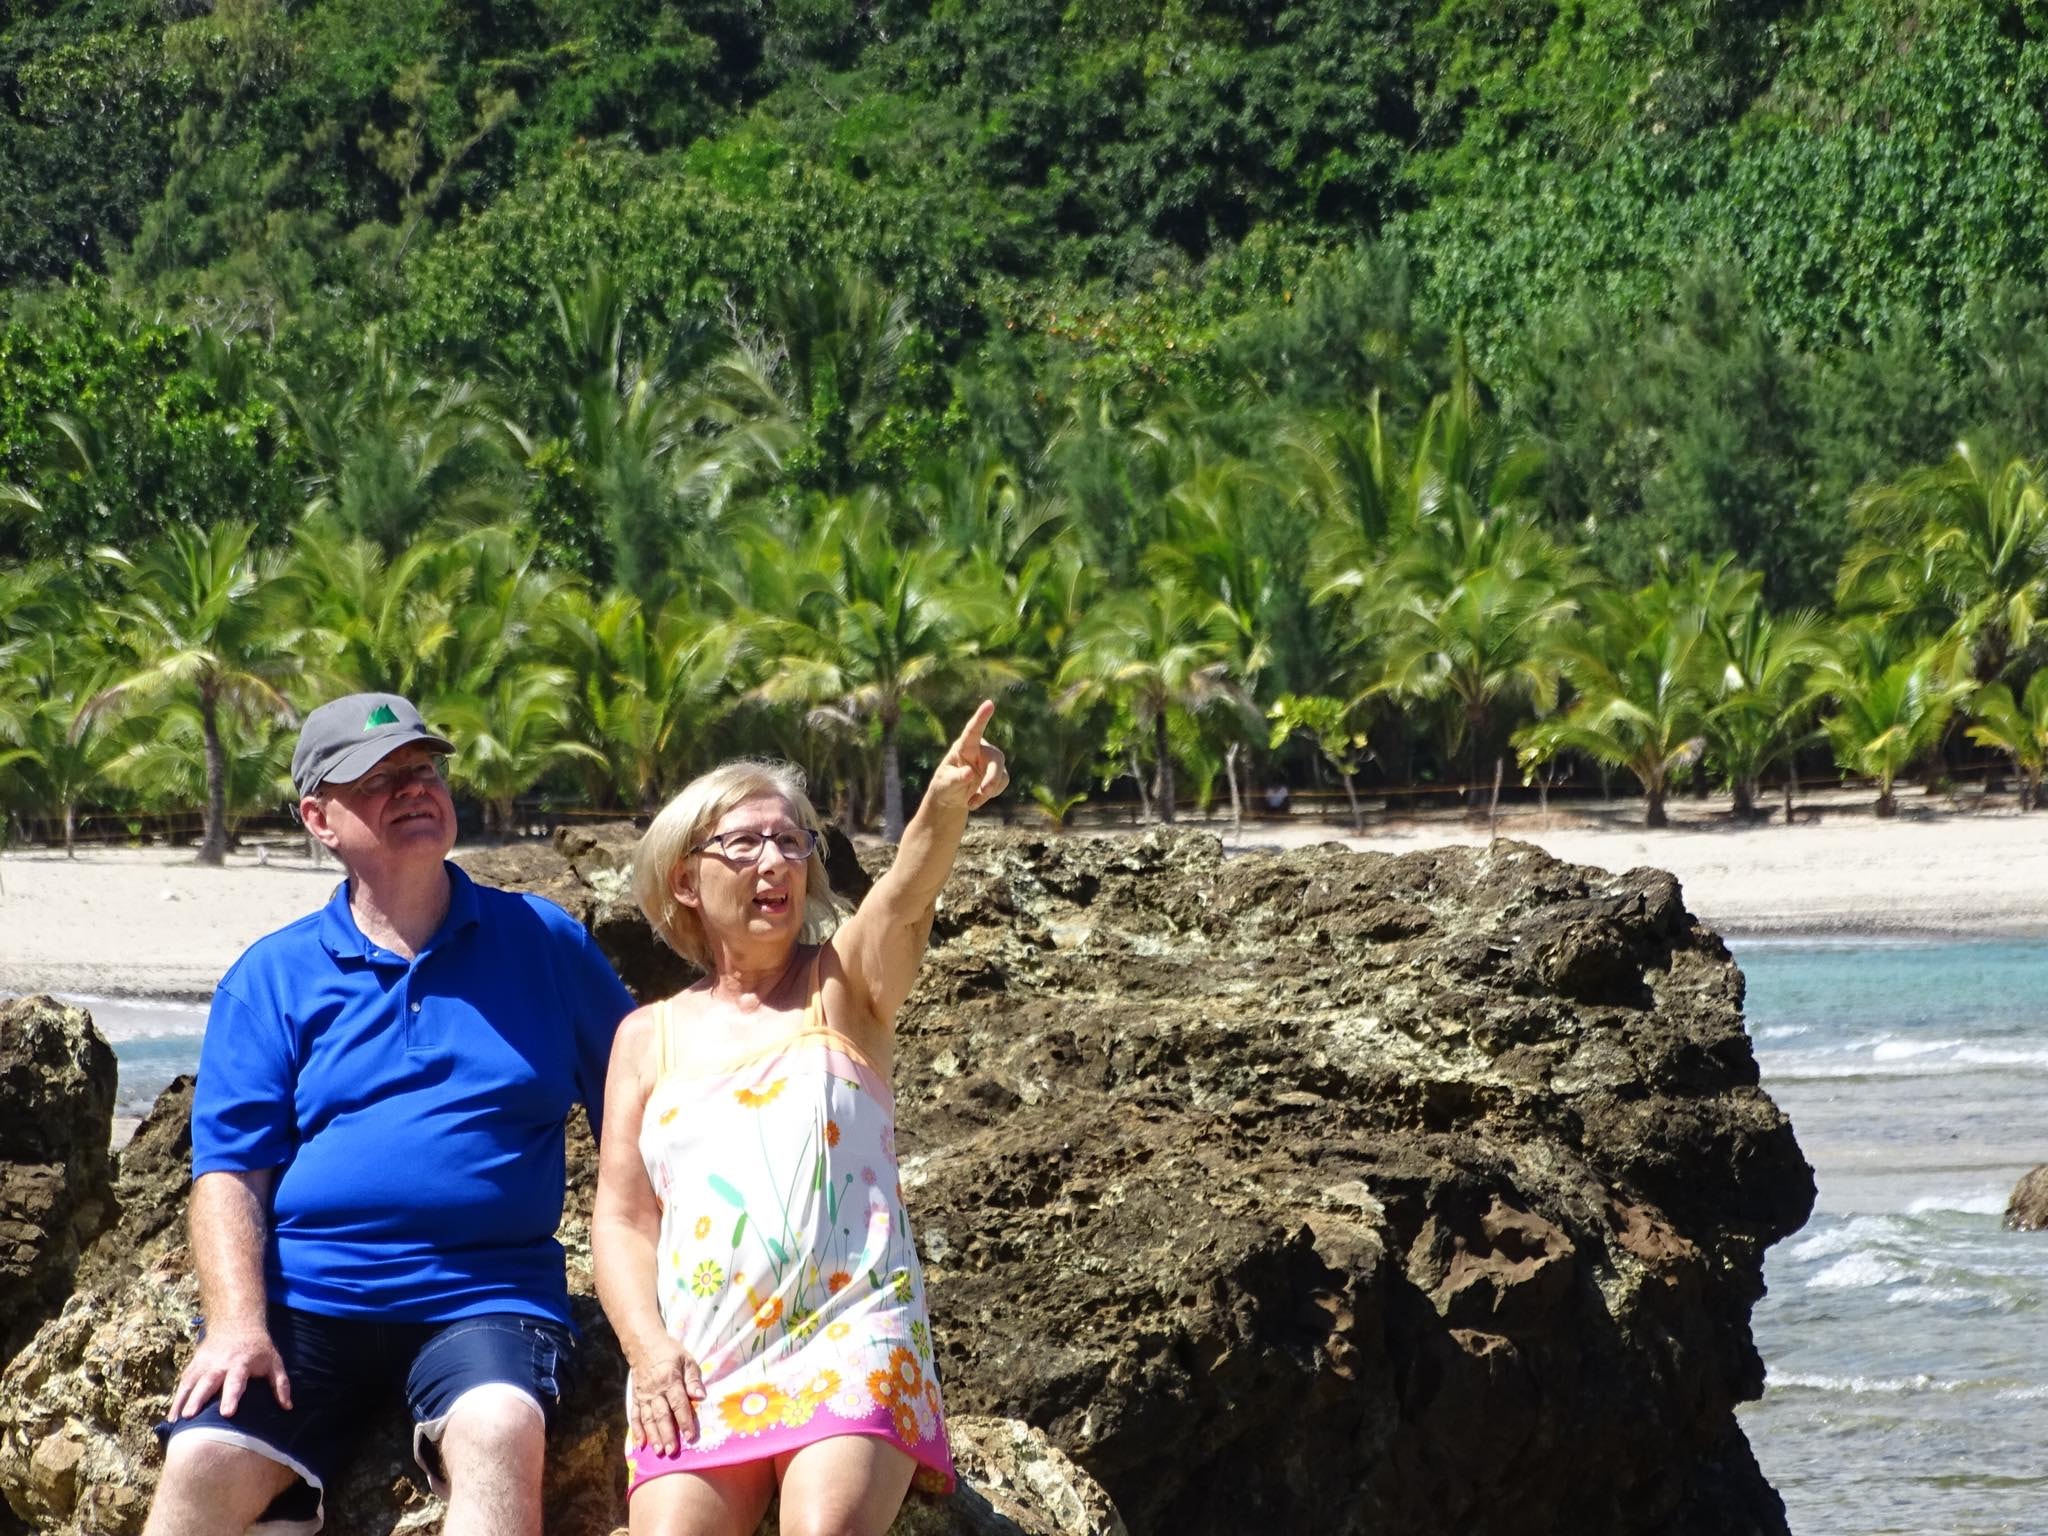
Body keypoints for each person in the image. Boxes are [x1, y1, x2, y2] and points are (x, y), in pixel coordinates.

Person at [145, 691, 636, 1536]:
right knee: (202, 1463)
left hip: (484, 1294)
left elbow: (642, 1110)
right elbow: (229, 1173)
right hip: (310, 1298)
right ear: (318, 819)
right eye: (376, 780)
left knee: (499, 1430)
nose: (413, 789)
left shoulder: (546, 944)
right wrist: (236, 1325)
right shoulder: (271, 976)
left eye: (423, 770)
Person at [594, 701, 1010, 1535]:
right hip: (704, 1361)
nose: (774, 861)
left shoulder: (845, 987)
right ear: (686, 879)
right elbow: (624, 1217)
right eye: (744, 843)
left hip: (852, 1335)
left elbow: (903, 898)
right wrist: (649, 1349)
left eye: (791, 842)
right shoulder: (645, 1037)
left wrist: (944, 802)